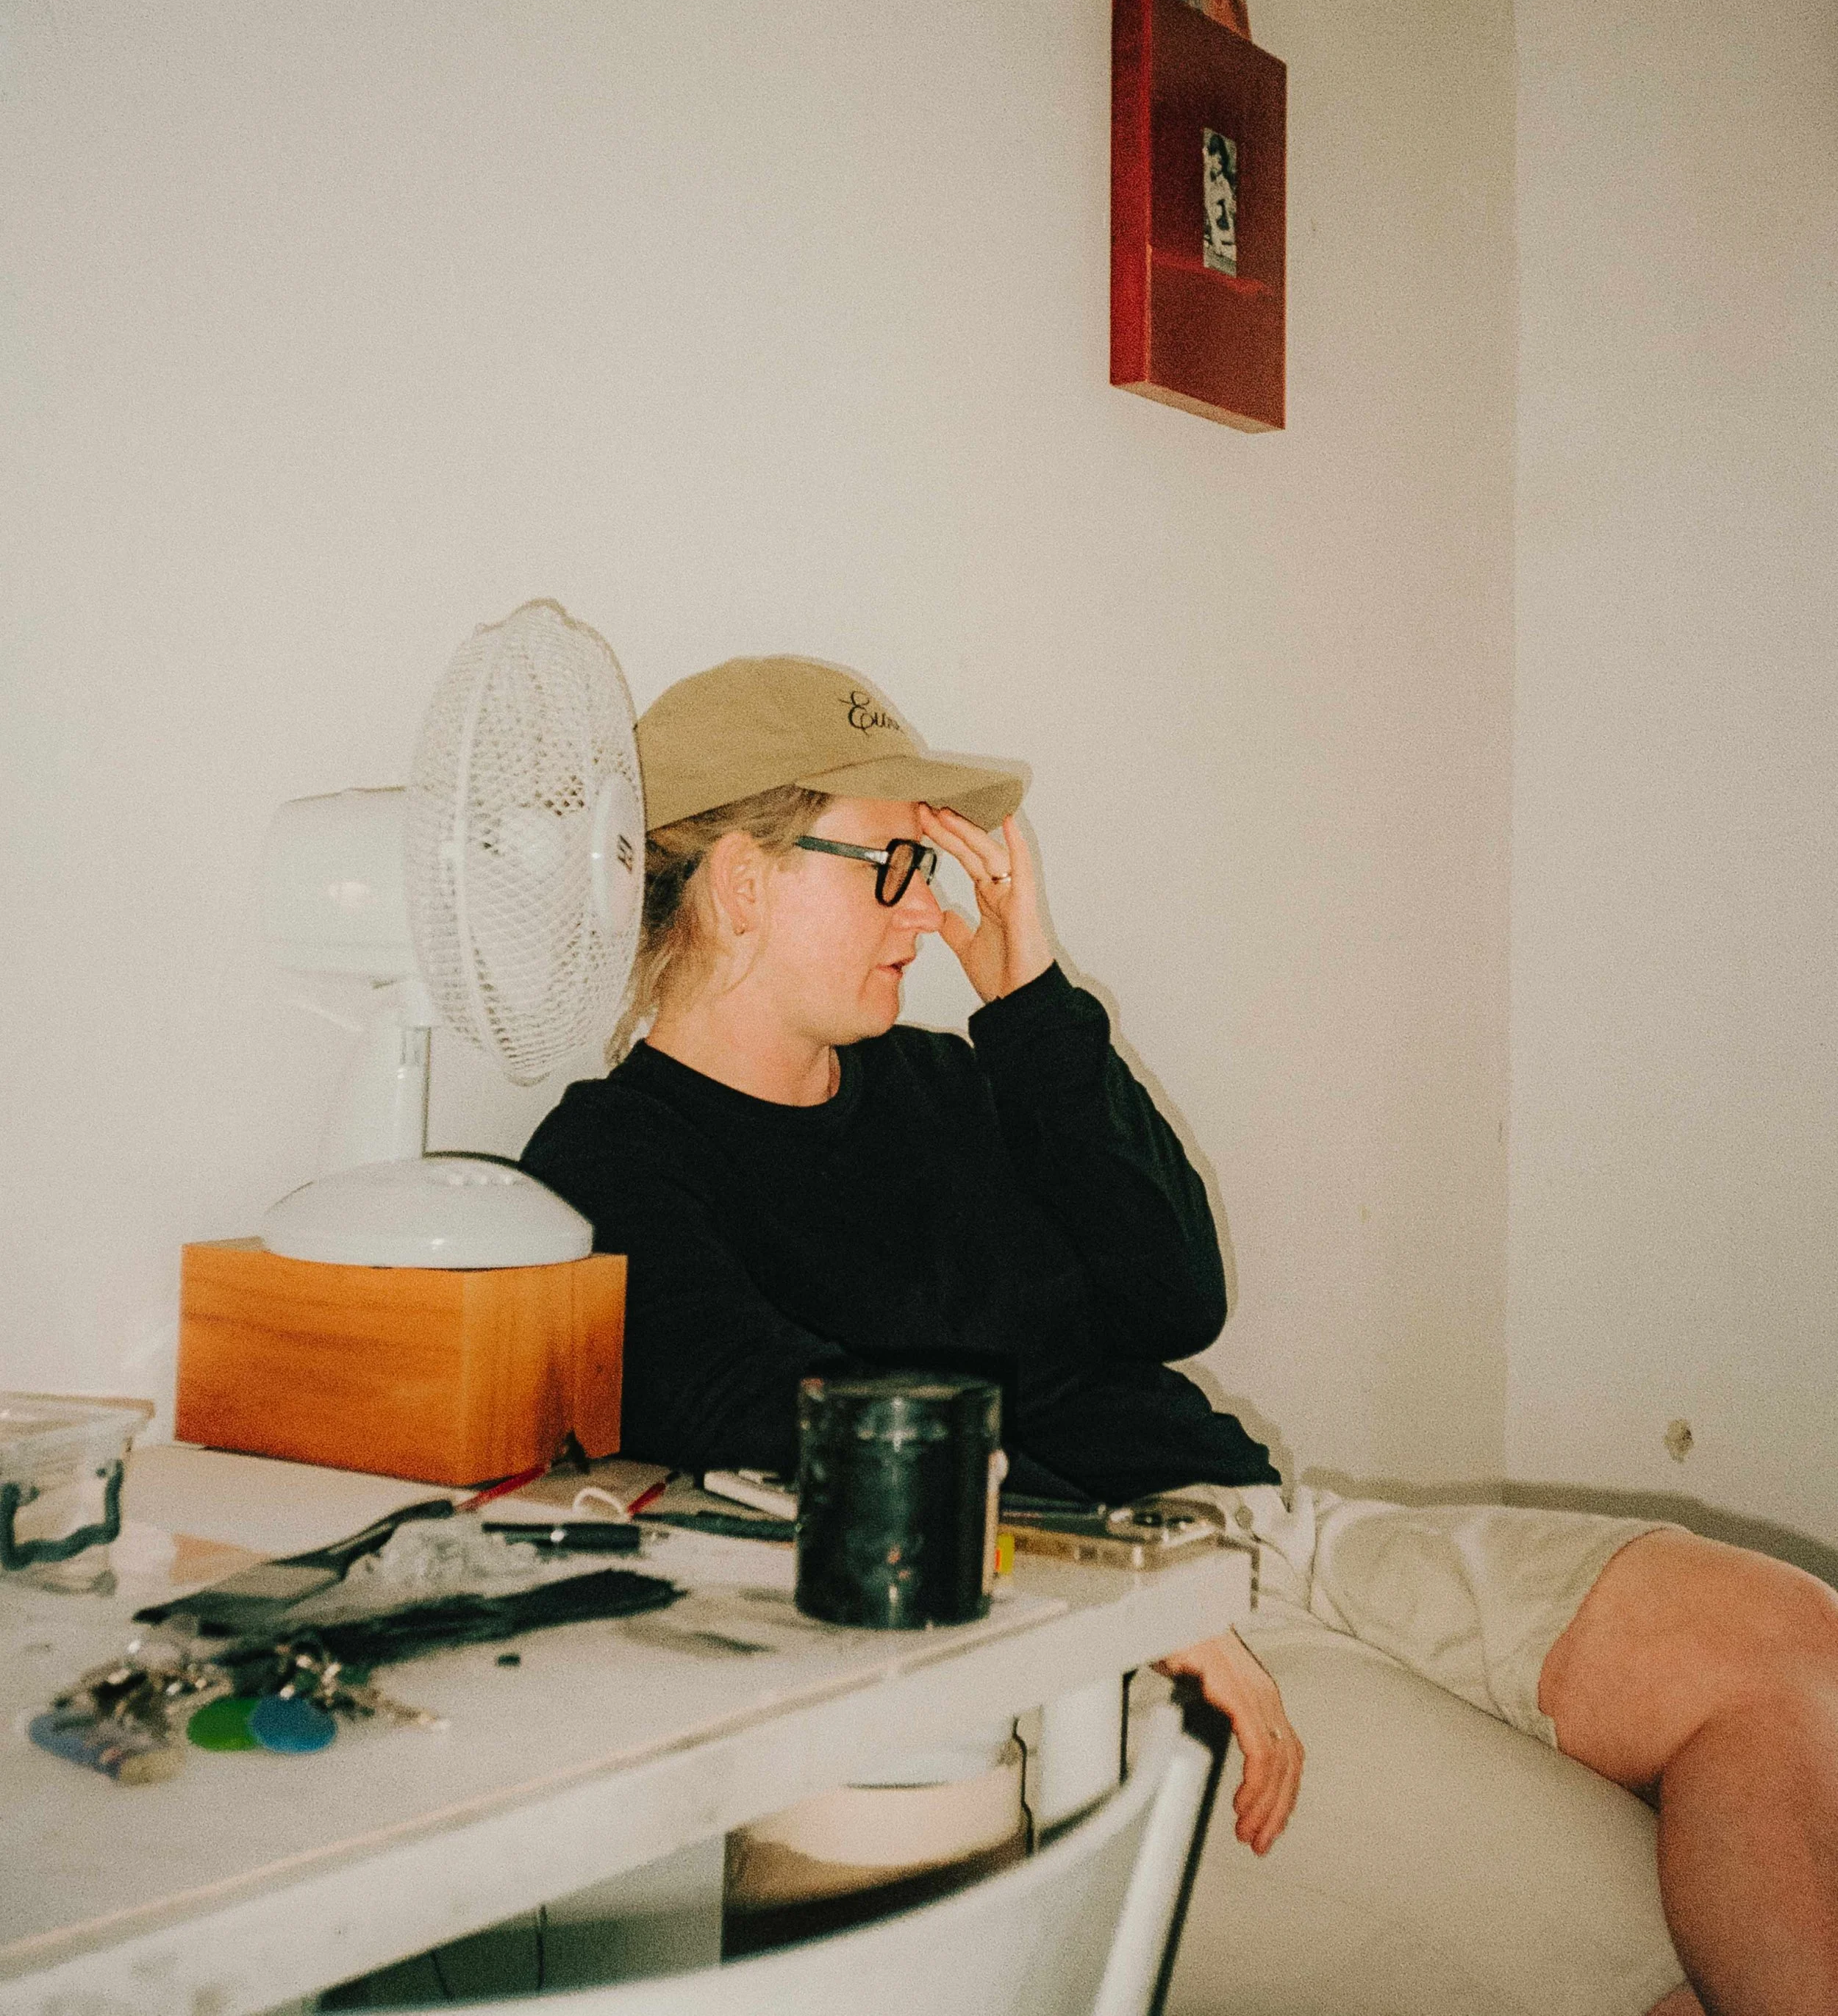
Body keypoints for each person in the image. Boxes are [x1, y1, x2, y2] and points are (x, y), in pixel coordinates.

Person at [523, 654, 1838, 2016]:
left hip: (1256, 1527)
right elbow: (773, 1426)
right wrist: (1122, 1590)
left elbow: (1172, 1299)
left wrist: (1029, 994)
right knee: (1660, 1943)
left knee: (1784, 1640)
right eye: (892, 868)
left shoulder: (948, 1079)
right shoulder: (615, 1168)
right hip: (1070, 1630)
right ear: (742, 881)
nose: (925, 917)